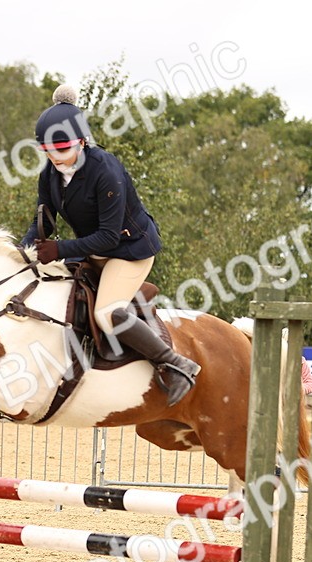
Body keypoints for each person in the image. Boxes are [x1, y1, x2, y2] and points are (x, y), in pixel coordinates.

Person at [21, 85, 200, 406]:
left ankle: (176, 364)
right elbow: (43, 223)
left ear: (82, 142)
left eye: (62, 150)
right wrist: (24, 251)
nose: (56, 157)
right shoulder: (50, 173)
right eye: (49, 151)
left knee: (106, 313)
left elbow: (109, 236)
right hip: (91, 249)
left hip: (129, 251)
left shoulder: (106, 171)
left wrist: (59, 250)